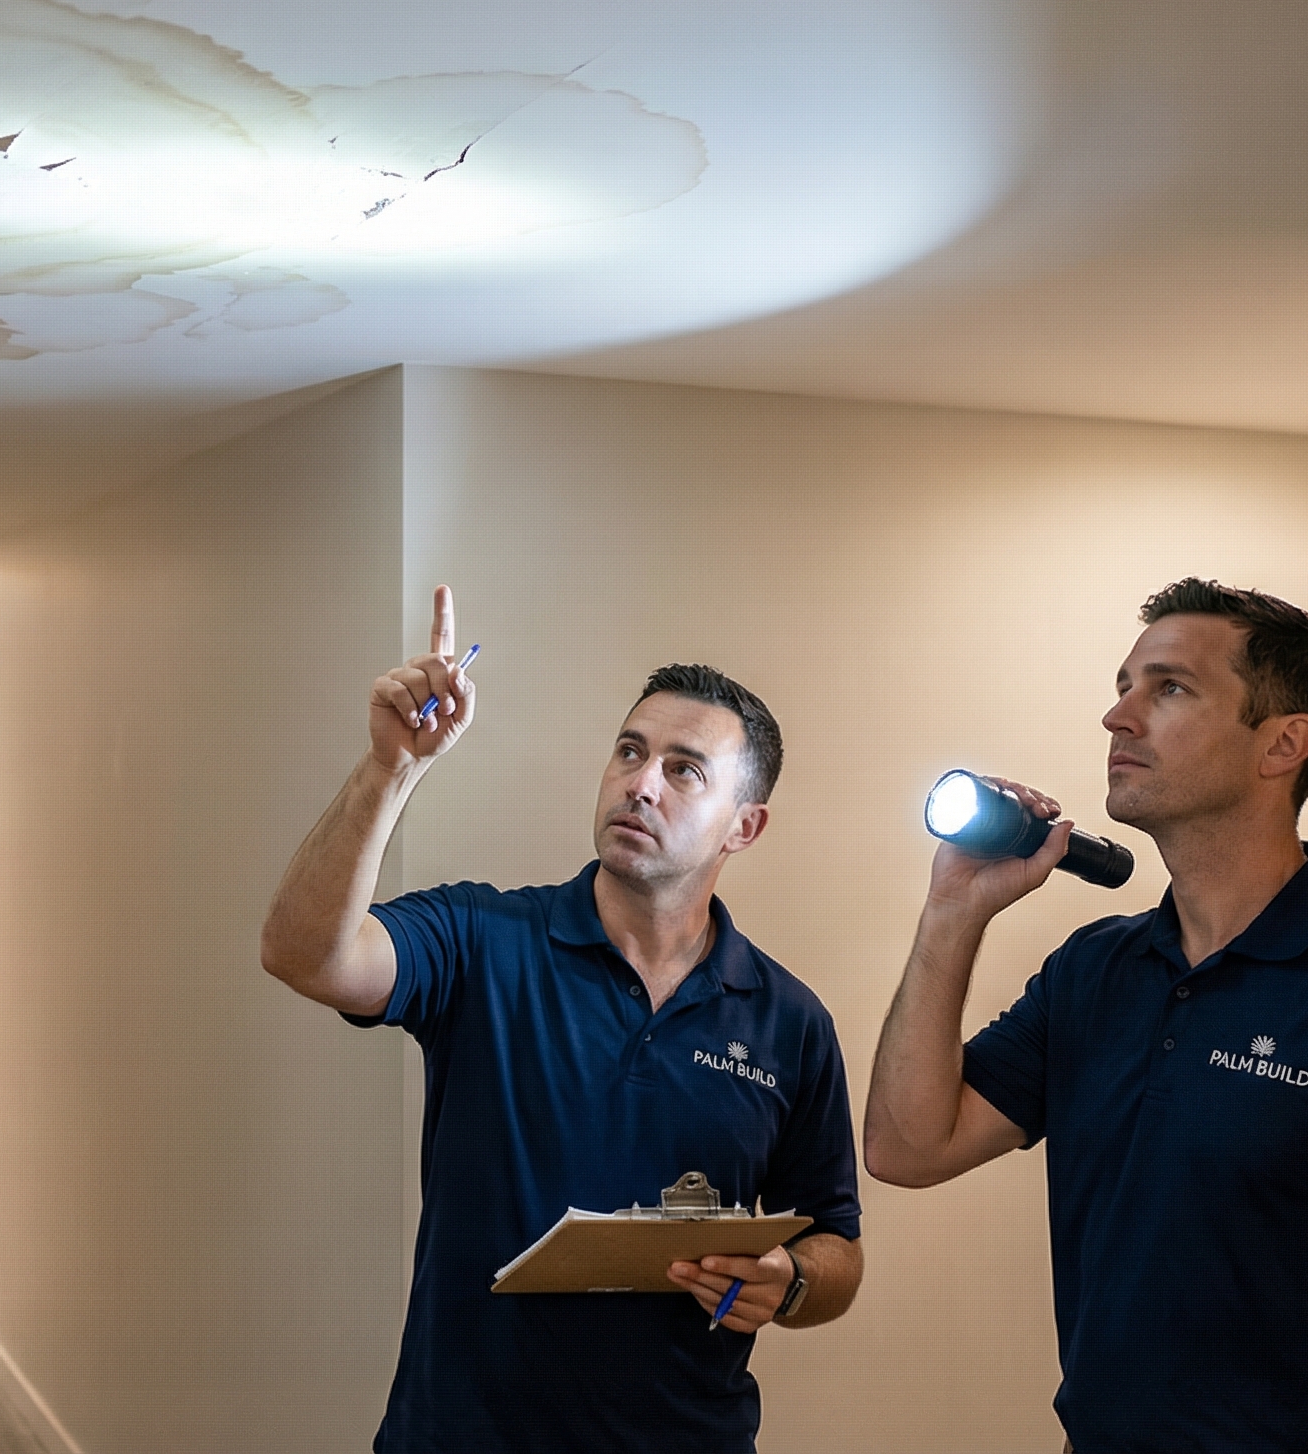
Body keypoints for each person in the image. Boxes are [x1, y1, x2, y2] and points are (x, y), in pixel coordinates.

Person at [865, 578, 1308, 1453]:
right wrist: (952, 912)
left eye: (1169, 689)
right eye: (1123, 686)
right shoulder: (1092, 974)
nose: (1119, 717)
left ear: (1283, 744)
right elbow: (906, 1147)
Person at [262, 587, 864, 1453]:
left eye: (683, 768)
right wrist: (389, 768)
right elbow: (302, 953)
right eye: (630, 751)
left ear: (745, 826)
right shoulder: (481, 939)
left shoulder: (790, 1021)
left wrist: (794, 1281)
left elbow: (836, 1245)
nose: (640, 784)